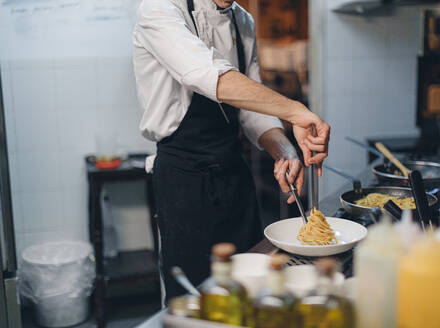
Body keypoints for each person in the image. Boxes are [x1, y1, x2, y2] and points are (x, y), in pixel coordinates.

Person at [133, 0, 330, 302]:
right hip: (183, 178)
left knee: (249, 282)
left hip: (233, 171)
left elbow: (252, 109)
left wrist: (283, 149)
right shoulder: (159, 8)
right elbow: (209, 75)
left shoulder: (243, 21)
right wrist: (295, 111)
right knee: (195, 296)